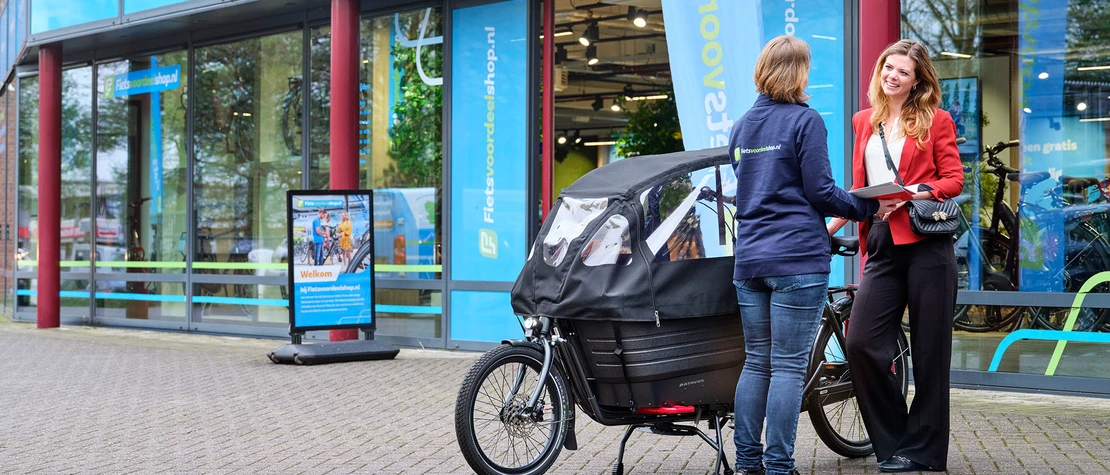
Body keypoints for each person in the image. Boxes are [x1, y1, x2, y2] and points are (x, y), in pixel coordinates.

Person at [728, 35, 900, 475]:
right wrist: (868, 206)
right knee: (786, 367)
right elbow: (820, 191)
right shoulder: (806, 121)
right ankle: (779, 466)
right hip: (796, 258)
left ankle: (747, 463)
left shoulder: (743, 125)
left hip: (749, 260)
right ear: (799, 72)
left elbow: (749, 188)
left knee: (757, 362)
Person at [827, 39, 963, 473]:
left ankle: (923, 453)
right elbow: (857, 187)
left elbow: (954, 179)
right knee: (861, 342)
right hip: (882, 244)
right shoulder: (863, 121)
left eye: (904, 71)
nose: (893, 75)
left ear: (917, 80)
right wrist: (827, 227)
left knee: (929, 354)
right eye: (889, 67)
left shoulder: (935, 120)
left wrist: (916, 193)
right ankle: (894, 441)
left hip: (927, 245)